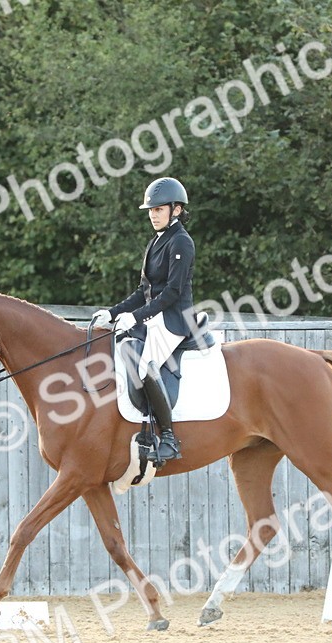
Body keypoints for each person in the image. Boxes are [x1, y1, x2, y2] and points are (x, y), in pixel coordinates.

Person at [91, 177, 195, 463]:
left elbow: (172, 293)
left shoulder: (182, 243)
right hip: (153, 317)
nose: (153, 215)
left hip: (174, 319)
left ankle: (170, 439)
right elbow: (144, 291)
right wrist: (112, 313)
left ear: (176, 210)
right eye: (150, 210)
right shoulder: (156, 242)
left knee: (146, 365)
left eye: (159, 209)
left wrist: (134, 317)